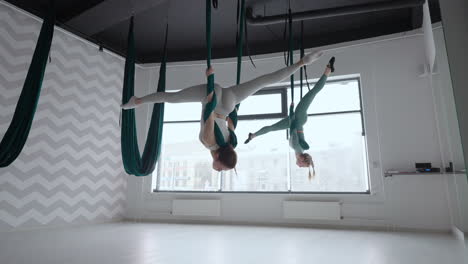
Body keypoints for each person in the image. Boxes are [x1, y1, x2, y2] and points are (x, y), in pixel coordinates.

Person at [121, 51, 324, 171]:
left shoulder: (231, 143)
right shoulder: (209, 142)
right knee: (172, 98)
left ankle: (302, 62)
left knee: (265, 81)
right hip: (216, 100)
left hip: (229, 104)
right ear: (218, 158)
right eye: (221, 168)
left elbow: (231, 122)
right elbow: (208, 111)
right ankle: (137, 101)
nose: (218, 170)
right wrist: (210, 79)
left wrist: (235, 105)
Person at [244, 57, 335, 179]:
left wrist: (291, 115)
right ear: (302, 160)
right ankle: (328, 70)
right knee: (313, 92)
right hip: (298, 118)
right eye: (301, 165)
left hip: (293, 120)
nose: (298, 166)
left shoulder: (296, 149)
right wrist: (292, 112)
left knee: (271, 128)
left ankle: (253, 135)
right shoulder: (298, 147)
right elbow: (296, 126)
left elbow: (293, 130)